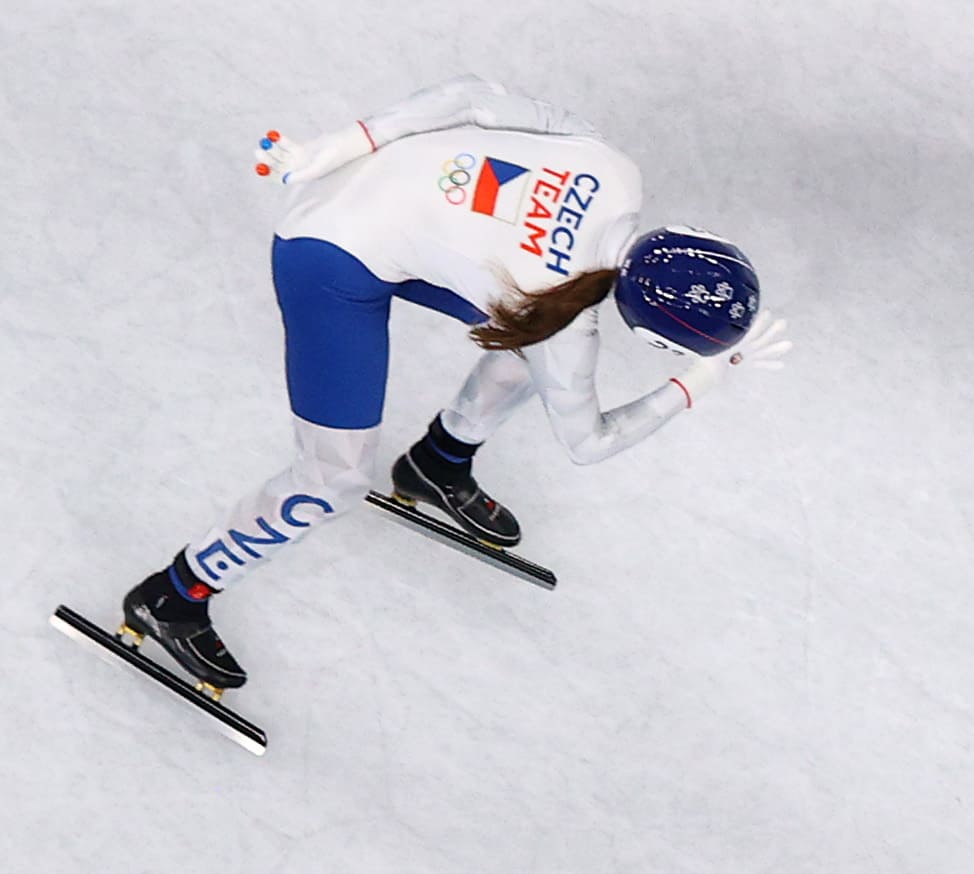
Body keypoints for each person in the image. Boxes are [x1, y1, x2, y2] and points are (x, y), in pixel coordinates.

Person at [112, 76, 785, 690]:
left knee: (522, 343)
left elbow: (470, 95)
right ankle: (176, 591)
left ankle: (438, 462)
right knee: (334, 478)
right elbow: (590, 442)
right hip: (324, 255)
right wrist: (702, 379)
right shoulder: (561, 325)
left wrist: (348, 140)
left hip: (358, 182)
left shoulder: (617, 170)